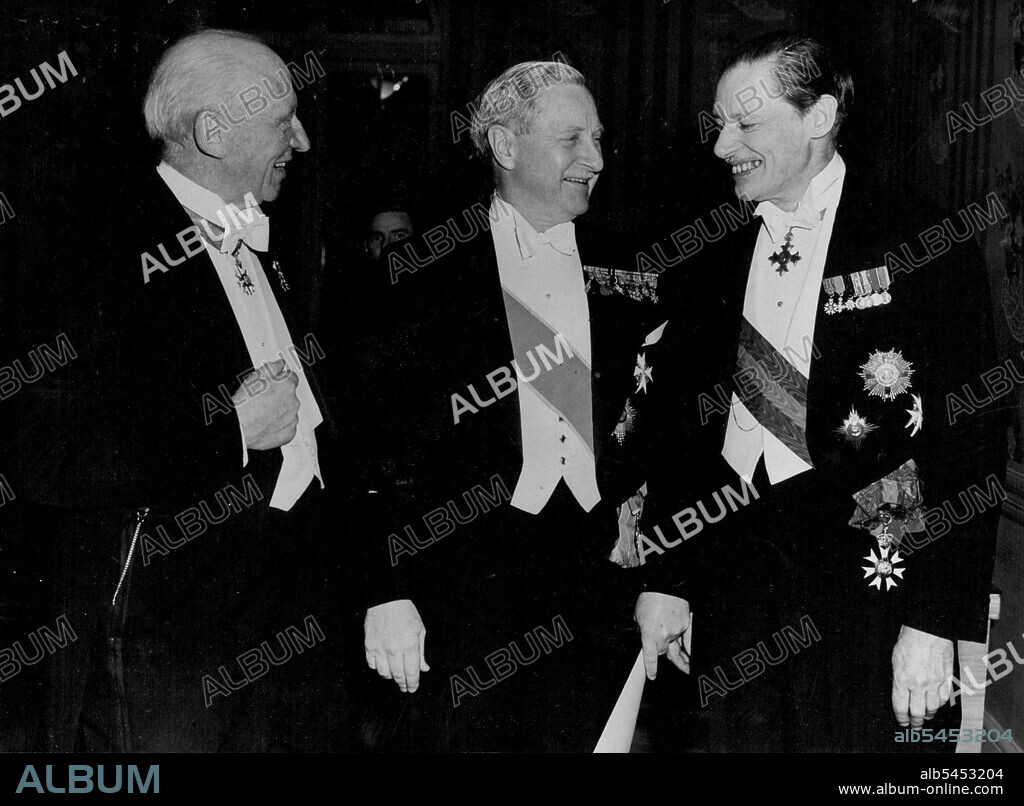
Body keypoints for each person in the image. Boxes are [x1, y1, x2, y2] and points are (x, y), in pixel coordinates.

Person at [633, 32, 1006, 752]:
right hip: (732, 591)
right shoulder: (708, 248)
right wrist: (669, 580)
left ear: (819, 115)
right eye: (720, 125)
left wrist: (935, 620)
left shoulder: (920, 239)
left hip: (875, 595)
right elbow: (680, 431)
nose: (721, 147)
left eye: (745, 123)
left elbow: (971, 436)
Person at [17, 28, 347, 752]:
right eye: (282, 118)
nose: (302, 139)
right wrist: (227, 429)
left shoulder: (267, 242)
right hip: (172, 649)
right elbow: (46, 454)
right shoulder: (98, 249)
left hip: (289, 635)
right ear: (213, 131)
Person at [359, 60, 662, 751]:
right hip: (462, 591)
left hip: (599, 583)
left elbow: (664, 426)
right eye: (572, 140)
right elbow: (372, 455)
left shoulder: (639, 268)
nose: (597, 159)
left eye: (600, 138)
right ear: (504, 146)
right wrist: (386, 590)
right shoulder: (424, 273)